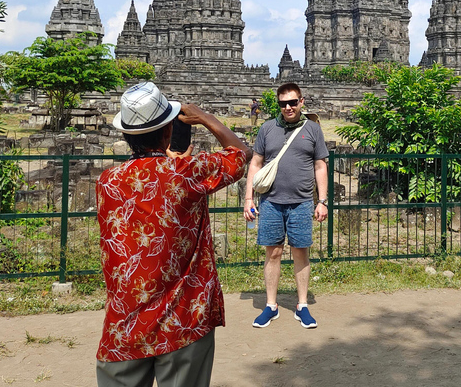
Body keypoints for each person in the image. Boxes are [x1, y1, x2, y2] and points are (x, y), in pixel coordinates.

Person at [95, 81, 249, 387]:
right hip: (184, 317)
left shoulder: (107, 181)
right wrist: (205, 117)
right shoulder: (187, 173)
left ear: (126, 134)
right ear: (167, 132)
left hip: (125, 322)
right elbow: (241, 154)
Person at [243, 82, 328, 329]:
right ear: (278, 104)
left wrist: (321, 201)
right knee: (273, 252)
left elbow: (320, 165)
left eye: (293, 102)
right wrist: (248, 199)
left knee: (301, 251)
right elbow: (255, 164)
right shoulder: (267, 128)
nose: (288, 107)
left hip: (302, 201)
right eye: (283, 104)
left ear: (302, 102)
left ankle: (302, 305)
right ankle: (271, 305)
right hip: (270, 201)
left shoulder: (313, 129)